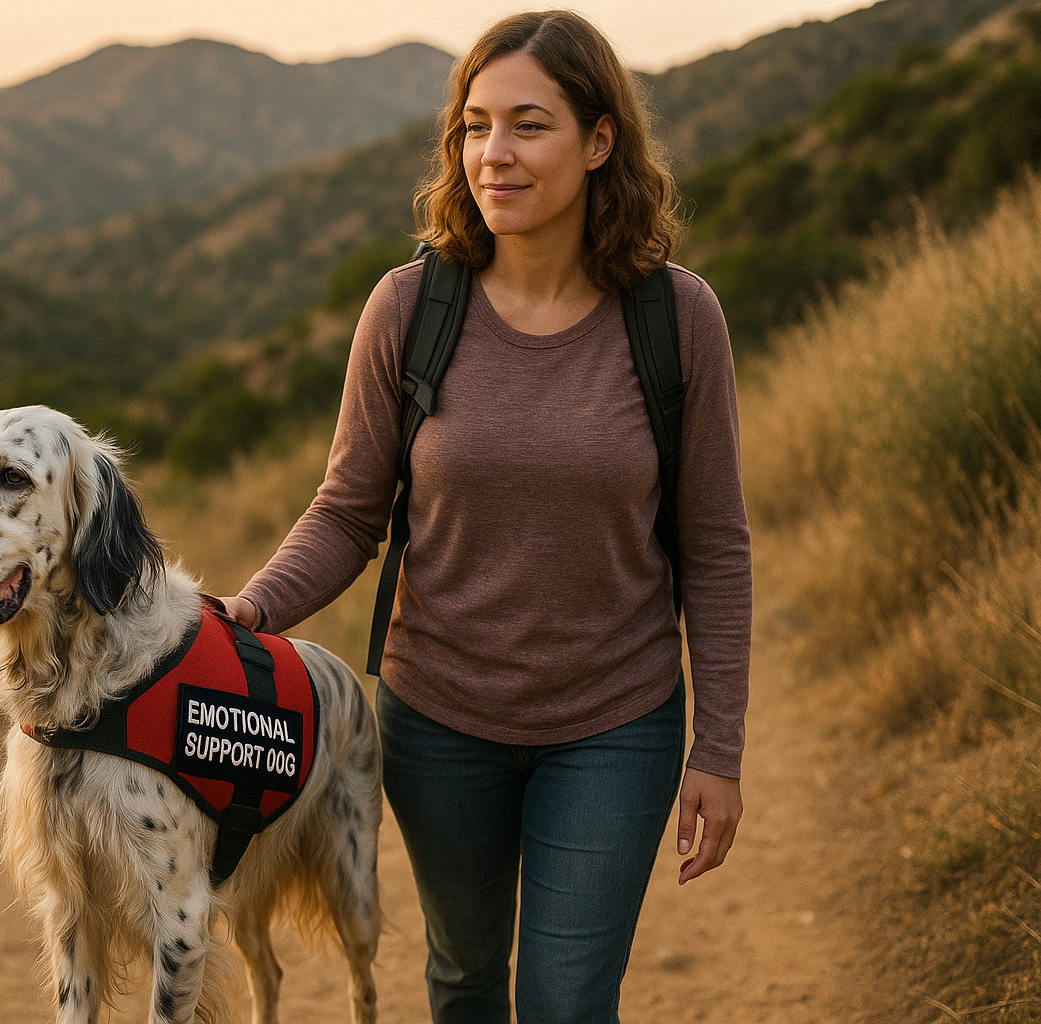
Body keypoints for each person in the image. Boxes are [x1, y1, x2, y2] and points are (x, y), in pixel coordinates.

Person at [221, 10, 750, 1023]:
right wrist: (250, 611)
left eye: (528, 125)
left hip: (617, 721)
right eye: (474, 126)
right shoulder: (410, 309)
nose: (493, 155)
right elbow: (347, 511)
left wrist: (716, 749)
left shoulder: (678, 319)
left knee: (564, 1000)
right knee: (463, 979)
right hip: (439, 719)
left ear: (600, 142)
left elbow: (716, 549)